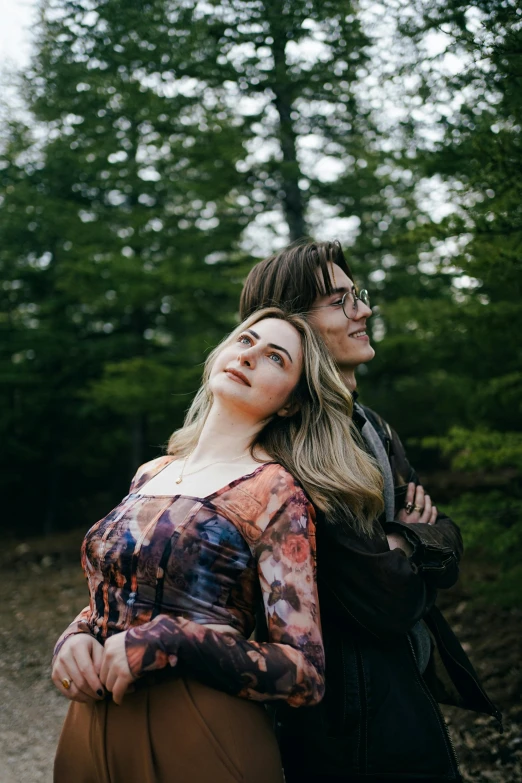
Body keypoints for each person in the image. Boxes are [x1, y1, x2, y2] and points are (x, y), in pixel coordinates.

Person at [51, 307, 384, 783]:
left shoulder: (275, 491)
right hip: (92, 723)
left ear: (289, 403)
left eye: (275, 357)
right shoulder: (154, 471)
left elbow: (303, 675)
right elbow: (123, 591)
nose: (249, 357)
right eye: (245, 341)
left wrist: (173, 642)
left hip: (197, 729)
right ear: (219, 356)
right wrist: (75, 636)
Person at [239, 241, 501, 783]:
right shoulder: (291, 449)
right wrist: (409, 541)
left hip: (402, 680)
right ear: (294, 327)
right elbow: (383, 597)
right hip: (342, 714)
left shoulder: (371, 426)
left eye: (356, 295)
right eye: (340, 302)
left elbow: (446, 543)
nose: (363, 310)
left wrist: (409, 542)